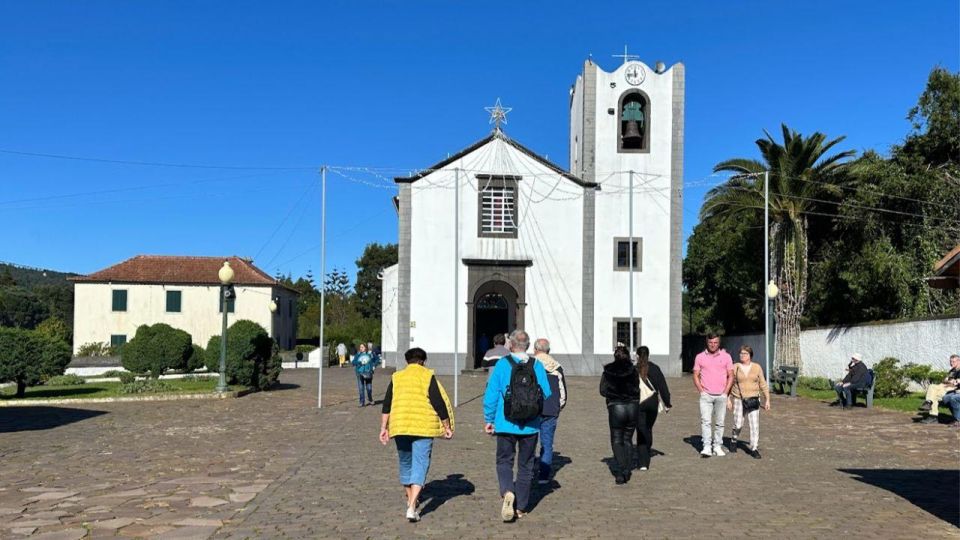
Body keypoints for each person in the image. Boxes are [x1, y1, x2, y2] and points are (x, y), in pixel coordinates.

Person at [483, 329, 552, 522]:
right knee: (526, 464)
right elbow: (546, 393)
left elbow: (491, 395)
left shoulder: (502, 365)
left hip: (505, 422)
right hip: (530, 424)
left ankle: (507, 491)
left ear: (511, 345)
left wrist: (489, 419)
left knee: (504, 460)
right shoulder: (537, 365)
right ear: (528, 346)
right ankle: (521, 506)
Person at [379, 347, 455, 522]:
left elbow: (387, 404)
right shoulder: (427, 376)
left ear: (407, 361)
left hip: (400, 426)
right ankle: (412, 506)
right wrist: (446, 425)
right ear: (423, 361)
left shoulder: (397, 377)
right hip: (423, 426)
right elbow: (438, 402)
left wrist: (384, 427)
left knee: (405, 462)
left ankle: (410, 500)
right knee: (420, 463)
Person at [600, 347, 640, 484]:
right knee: (628, 439)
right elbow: (637, 387)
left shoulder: (608, 370)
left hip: (616, 407)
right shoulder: (633, 370)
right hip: (633, 406)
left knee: (617, 440)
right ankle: (626, 469)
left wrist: (612, 393)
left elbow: (602, 390)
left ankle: (623, 470)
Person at [693, 333, 734, 457]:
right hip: (706, 395)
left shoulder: (726, 357)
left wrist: (725, 393)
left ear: (719, 343)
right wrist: (701, 390)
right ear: (707, 342)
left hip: (721, 394)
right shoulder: (700, 357)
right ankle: (706, 446)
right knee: (706, 421)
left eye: (715, 342)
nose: (713, 345)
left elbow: (731, 375)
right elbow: (695, 374)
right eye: (711, 342)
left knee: (720, 422)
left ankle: (717, 446)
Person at [727, 345, 770, 459]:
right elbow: (729, 383)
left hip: (753, 400)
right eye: (741, 353)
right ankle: (734, 439)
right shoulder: (735, 367)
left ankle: (754, 448)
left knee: (754, 425)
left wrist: (767, 399)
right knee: (738, 424)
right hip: (738, 399)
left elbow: (763, 384)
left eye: (745, 353)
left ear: (750, 355)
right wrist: (728, 399)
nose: (742, 355)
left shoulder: (757, 367)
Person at [533, 338, 567, 484]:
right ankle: (544, 476)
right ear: (548, 350)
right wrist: (558, 406)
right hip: (551, 409)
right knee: (547, 444)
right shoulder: (557, 368)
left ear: (535, 350)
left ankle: (527, 473)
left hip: (531, 410)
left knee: (528, 443)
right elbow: (563, 392)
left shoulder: (530, 365)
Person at [635, 346, 671, 470]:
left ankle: (643, 463)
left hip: (639, 403)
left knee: (641, 431)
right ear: (649, 355)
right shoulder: (655, 368)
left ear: (637, 356)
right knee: (648, 428)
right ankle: (647, 449)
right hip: (652, 403)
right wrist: (667, 402)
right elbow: (663, 387)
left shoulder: (635, 369)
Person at [919, 354, 960, 423]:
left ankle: (933, 415)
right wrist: (948, 381)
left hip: (953, 388)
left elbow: (956, 382)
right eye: (950, 361)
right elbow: (945, 380)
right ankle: (929, 403)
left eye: (953, 361)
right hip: (945, 386)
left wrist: (950, 381)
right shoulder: (952, 371)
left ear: (959, 361)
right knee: (932, 387)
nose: (951, 363)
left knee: (934, 396)